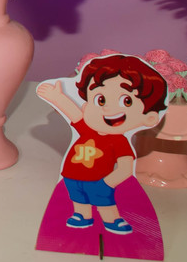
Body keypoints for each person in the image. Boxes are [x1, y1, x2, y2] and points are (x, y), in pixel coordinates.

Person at [37, 55, 168, 235]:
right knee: (78, 198)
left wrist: (107, 183)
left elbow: (125, 168)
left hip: (99, 180)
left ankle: (112, 220)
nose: (107, 108)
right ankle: (82, 216)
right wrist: (57, 97)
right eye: (100, 100)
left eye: (126, 101)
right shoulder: (87, 130)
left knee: (104, 202)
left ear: (149, 118)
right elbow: (73, 112)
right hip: (71, 176)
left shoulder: (119, 141)